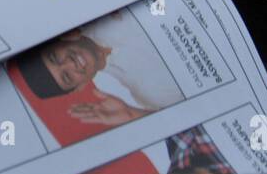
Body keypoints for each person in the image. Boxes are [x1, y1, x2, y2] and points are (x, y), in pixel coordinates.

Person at [13, 9, 182, 129]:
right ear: (79, 87)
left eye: (55, 57)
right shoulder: (147, 95)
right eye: (67, 77)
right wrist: (133, 114)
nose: (70, 63)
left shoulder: (100, 10)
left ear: (60, 40)